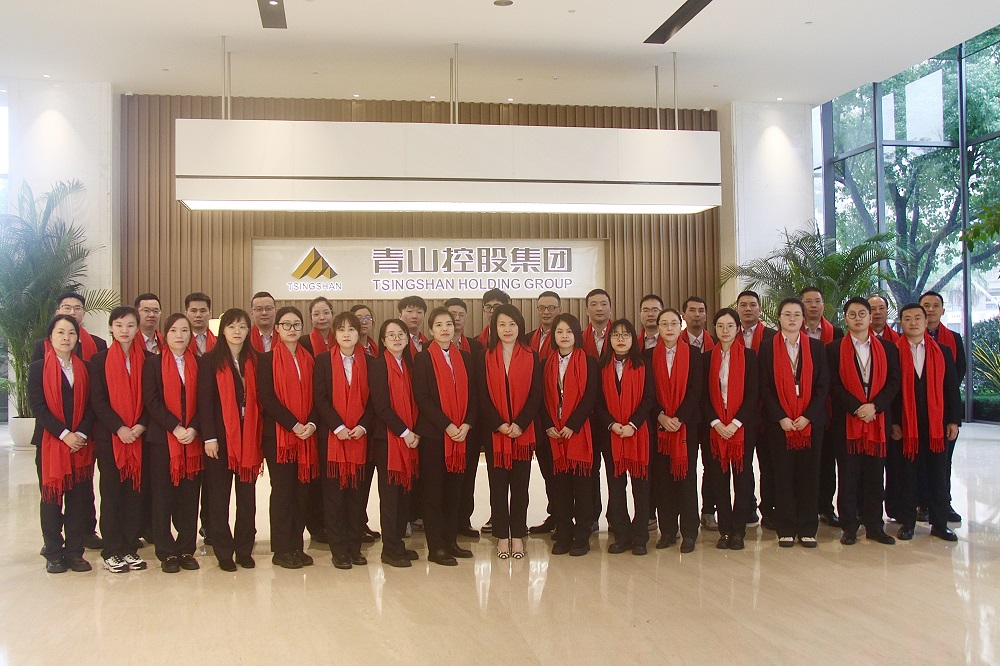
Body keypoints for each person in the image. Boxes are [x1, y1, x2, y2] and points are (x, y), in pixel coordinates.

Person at [31, 292, 106, 551]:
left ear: (78, 336)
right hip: (51, 439)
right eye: (60, 333)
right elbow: (38, 406)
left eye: (71, 333)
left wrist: (81, 434)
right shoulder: (38, 366)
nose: (66, 338)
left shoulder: (85, 367)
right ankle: (53, 550)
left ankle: (75, 550)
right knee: (51, 497)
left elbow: (92, 404)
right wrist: (65, 434)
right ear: (50, 337)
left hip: (81, 443)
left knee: (78, 498)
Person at [826, 298, 901, 546]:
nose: (857, 318)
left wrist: (875, 406)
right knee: (848, 477)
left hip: (877, 420)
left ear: (870, 317)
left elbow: (894, 382)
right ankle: (849, 527)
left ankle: (875, 526)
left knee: (875, 477)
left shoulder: (888, 348)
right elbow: (833, 384)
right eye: (852, 314)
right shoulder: (834, 349)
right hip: (847, 421)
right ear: (845, 318)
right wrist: (857, 407)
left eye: (862, 314)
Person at [758, 298, 830, 548]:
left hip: (810, 423)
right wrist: (782, 417)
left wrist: (808, 415)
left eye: (796, 315)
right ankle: (786, 528)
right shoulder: (767, 347)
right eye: (787, 314)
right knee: (782, 475)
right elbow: (764, 387)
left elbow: (823, 385)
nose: (792, 319)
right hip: (780, 424)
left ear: (803, 319)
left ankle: (808, 528)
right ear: (779, 318)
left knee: (809, 475)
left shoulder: (816, 347)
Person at [411, 307, 478, 566]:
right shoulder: (423, 358)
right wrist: (447, 425)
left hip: (461, 435)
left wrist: (467, 424)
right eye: (438, 325)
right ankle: (436, 547)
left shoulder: (466, 358)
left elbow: (474, 395)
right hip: (435, 436)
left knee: (455, 491)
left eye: (448, 324)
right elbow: (422, 398)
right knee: (433, 493)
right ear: (430, 330)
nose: (445, 329)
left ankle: (451, 541)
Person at [890, 303, 962, 542]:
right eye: (907, 318)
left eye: (917, 318)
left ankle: (940, 524)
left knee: (938, 474)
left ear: (925, 321)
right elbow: (889, 391)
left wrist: (953, 420)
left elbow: (951, 389)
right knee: (906, 476)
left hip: (936, 425)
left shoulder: (942, 351)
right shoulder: (892, 351)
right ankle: (907, 523)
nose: (913, 322)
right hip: (905, 425)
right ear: (901, 323)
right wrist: (893, 422)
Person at [198, 308, 262, 571]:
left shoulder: (256, 361)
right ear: (222, 330)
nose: (237, 331)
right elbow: (204, 403)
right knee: (219, 497)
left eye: (243, 327)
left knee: (247, 499)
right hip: (220, 439)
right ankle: (224, 551)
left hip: (249, 438)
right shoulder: (209, 361)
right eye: (232, 326)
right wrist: (209, 437)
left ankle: (244, 549)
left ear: (248, 331)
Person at [476, 304, 541, 559]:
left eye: (512, 324)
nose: (507, 329)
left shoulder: (531, 356)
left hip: (522, 433)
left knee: (521, 488)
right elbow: (482, 395)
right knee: (498, 487)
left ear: (520, 326)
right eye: (502, 324)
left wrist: (520, 424)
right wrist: (499, 424)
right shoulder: (484, 356)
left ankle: (519, 535)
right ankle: (502, 536)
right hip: (496, 433)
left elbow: (536, 395)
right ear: (494, 327)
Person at [257, 306, 319, 569]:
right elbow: (267, 398)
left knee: (302, 492)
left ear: (302, 328)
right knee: (283, 492)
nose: (291, 329)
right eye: (286, 325)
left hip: (307, 436)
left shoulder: (310, 359)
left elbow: (318, 395)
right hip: (279, 437)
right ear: (277, 329)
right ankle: (281, 549)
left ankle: (296, 545)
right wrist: (294, 424)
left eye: (296, 325)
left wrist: (311, 424)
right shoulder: (266, 360)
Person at [89, 306, 149, 573]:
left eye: (130, 325)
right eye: (119, 325)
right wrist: (119, 428)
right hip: (110, 438)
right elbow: (97, 401)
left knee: (135, 494)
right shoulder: (98, 360)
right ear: (111, 328)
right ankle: (112, 550)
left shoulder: (148, 359)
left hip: (139, 437)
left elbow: (152, 398)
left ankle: (129, 547)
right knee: (112, 493)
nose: (125, 330)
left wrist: (140, 425)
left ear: (137, 328)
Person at [142, 313, 203, 572]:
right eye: (174, 330)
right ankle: (166, 552)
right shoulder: (153, 363)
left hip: (193, 440)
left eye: (184, 330)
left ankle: (186, 549)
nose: (180, 335)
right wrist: (175, 427)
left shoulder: (200, 363)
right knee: (162, 497)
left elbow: (206, 401)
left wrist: (194, 428)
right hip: (162, 441)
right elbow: (151, 400)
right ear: (165, 335)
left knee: (189, 498)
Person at [314, 312, 374, 570]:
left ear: (358, 333)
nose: (347, 334)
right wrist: (337, 426)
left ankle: (355, 547)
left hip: (360, 438)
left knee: (356, 497)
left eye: (351, 329)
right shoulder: (323, 361)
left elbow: (374, 401)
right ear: (335, 334)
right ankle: (339, 550)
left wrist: (362, 426)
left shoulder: (370, 362)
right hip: (333, 439)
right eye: (341, 329)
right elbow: (320, 398)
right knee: (334, 497)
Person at [540, 314, 599, 556]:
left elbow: (591, 397)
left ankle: (582, 534)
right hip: (554, 433)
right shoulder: (545, 364)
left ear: (577, 334)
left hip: (580, 431)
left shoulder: (590, 362)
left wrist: (573, 425)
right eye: (559, 331)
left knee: (583, 487)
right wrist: (548, 424)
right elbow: (541, 398)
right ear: (553, 336)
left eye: (569, 331)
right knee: (559, 487)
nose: (564, 336)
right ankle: (564, 532)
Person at [595, 318, 655, 555]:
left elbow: (649, 398)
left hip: (638, 434)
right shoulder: (601, 366)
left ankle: (640, 537)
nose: (620, 339)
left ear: (633, 339)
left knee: (641, 488)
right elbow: (597, 402)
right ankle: (621, 535)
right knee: (616, 487)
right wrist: (612, 425)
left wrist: (632, 424)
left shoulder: (644, 364)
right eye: (615, 335)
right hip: (611, 435)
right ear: (609, 340)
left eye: (625, 334)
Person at [647, 308, 703, 553]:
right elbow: (647, 392)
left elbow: (696, 390)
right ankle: (668, 531)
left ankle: (689, 532)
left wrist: (679, 418)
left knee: (686, 479)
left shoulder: (693, 354)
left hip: (686, 426)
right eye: (664, 324)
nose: (669, 328)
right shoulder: (648, 355)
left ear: (681, 326)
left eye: (673, 323)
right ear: (657, 327)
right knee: (662, 481)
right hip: (659, 426)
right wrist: (660, 415)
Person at [702, 308, 758, 551]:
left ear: (738, 329)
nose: (725, 331)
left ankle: (739, 531)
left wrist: (735, 423)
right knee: (719, 480)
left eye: (730, 326)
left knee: (743, 480)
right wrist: (716, 423)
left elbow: (753, 394)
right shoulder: (706, 358)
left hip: (741, 429)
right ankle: (724, 530)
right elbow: (703, 395)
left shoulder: (750, 356)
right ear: (714, 329)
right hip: (715, 429)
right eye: (720, 326)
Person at [368, 319, 421, 567]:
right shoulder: (378, 366)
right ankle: (389, 549)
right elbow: (381, 406)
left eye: (401, 334)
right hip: (388, 440)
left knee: (404, 495)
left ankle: (398, 543)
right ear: (383, 341)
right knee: (390, 496)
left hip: (410, 438)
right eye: (391, 335)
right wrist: (405, 432)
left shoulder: (411, 365)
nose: (397, 339)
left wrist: (415, 432)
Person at [919, 290, 966, 523]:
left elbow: (958, 374)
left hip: (943, 410)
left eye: (935, 305)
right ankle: (922, 503)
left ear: (943, 310)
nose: (930, 309)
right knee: (919, 461)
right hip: (917, 410)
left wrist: (952, 417)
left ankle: (943, 504)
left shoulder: (953, 339)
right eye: (926, 305)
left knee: (943, 462)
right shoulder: (907, 339)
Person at [799, 286, 844, 530]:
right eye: (808, 301)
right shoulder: (792, 333)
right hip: (797, 408)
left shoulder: (835, 333)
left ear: (823, 305)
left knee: (827, 462)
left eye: (817, 301)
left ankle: (826, 507)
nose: (813, 305)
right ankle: (803, 507)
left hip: (827, 407)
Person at [735, 289, 777, 529]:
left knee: (768, 464)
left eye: (752, 304)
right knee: (743, 465)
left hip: (767, 412)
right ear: (737, 309)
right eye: (743, 305)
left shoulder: (772, 336)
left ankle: (768, 509)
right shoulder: (728, 334)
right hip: (740, 414)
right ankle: (747, 507)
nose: (748, 309)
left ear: (760, 309)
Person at [446, 297, 486, 538]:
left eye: (461, 314)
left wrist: (469, 422)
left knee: (468, 475)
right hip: (443, 428)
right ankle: (445, 523)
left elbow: (479, 388)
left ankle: (464, 521)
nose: (456, 319)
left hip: (470, 426)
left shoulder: (476, 347)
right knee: (444, 479)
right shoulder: (429, 350)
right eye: (452, 314)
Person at [526, 291, 562, 535]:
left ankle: (571, 517)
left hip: (561, 416)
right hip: (537, 417)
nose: (546, 312)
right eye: (542, 308)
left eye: (551, 307)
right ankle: (555, 514)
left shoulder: (566, 337)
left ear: (559, 310)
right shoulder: (528, 338)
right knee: (547, 469)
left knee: (563, 471)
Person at [682, 296, 717, 532]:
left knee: (711, 465)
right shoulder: (675, 343)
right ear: (684, 315)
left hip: (713, 415)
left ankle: (708, 510)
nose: (697, 314)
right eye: (692, 310)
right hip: (687, 417)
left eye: (701, 310)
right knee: (687, 467)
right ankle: (686, 514)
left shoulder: (716, 342)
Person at [350, 302, 381, 542]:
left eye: (367, 318)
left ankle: (360, 521)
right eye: (358, 318)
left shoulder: (375, 350)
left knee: (366, 479)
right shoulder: (345, 352)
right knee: (352, 481)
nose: (363, 322)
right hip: (349, 426)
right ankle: (352, 524)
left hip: (371, 425)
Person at [32, 292, 108, 363]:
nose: (72, 312)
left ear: (83, 313)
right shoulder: (42, 346)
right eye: (67, 308)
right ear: (57, 312)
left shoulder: (99, 344)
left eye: (77, 308)